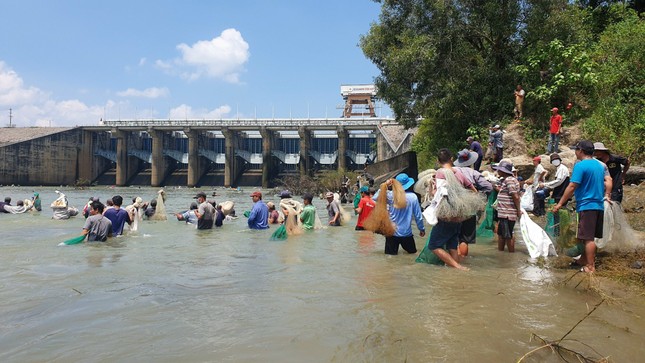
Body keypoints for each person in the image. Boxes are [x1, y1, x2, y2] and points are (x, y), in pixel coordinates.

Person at [553, 141, 611, 273]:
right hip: (598, 205)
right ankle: (583, 260)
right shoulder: (600, 165)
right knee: (588, 236)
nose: (575, 152)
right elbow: (607, 181)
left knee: (588, 238)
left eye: (576, 150)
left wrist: (560, 203)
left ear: (581, 150)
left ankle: (590, 266)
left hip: (587, 205)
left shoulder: (581, 165)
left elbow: (572, 186)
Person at [426, 149, 476, 268]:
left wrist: (432, 186)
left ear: (438, 161)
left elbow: (437, 194)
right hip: (459, 216)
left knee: (433, 245)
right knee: (452, 246)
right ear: (452, 159)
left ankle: (458, 267)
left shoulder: (440, 173)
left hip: (446, 216)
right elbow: (473, 190)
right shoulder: (458, 173)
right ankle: (456, 271)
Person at [374, 173, 426, 255]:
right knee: (412, 255)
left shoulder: (390, 195)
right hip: (407, 234)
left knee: (390, 258)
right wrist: (421, 228)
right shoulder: (413, 197)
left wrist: (385, 185)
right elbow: (418, 216)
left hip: (391, 233)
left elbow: (375, 198)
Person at [454, 149, 492, 257]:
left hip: (452, 209)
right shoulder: (473, 173)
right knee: (464, 239)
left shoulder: (451, 172)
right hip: (469, 209)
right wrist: (478, 196)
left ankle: (452, 262)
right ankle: (462, 261)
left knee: (452, 237)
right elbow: (488, 187)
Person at [493, 160, 522, 253]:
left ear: (503, 171)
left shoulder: (509, 180)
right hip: (504, 212)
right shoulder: (507, 180)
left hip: (507, 213)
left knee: (507, 235)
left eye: (499, 170)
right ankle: (501, 254)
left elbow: (515, 196)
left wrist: (518, 210)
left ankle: (510, 255)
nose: (497, 171)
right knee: (501, 234)